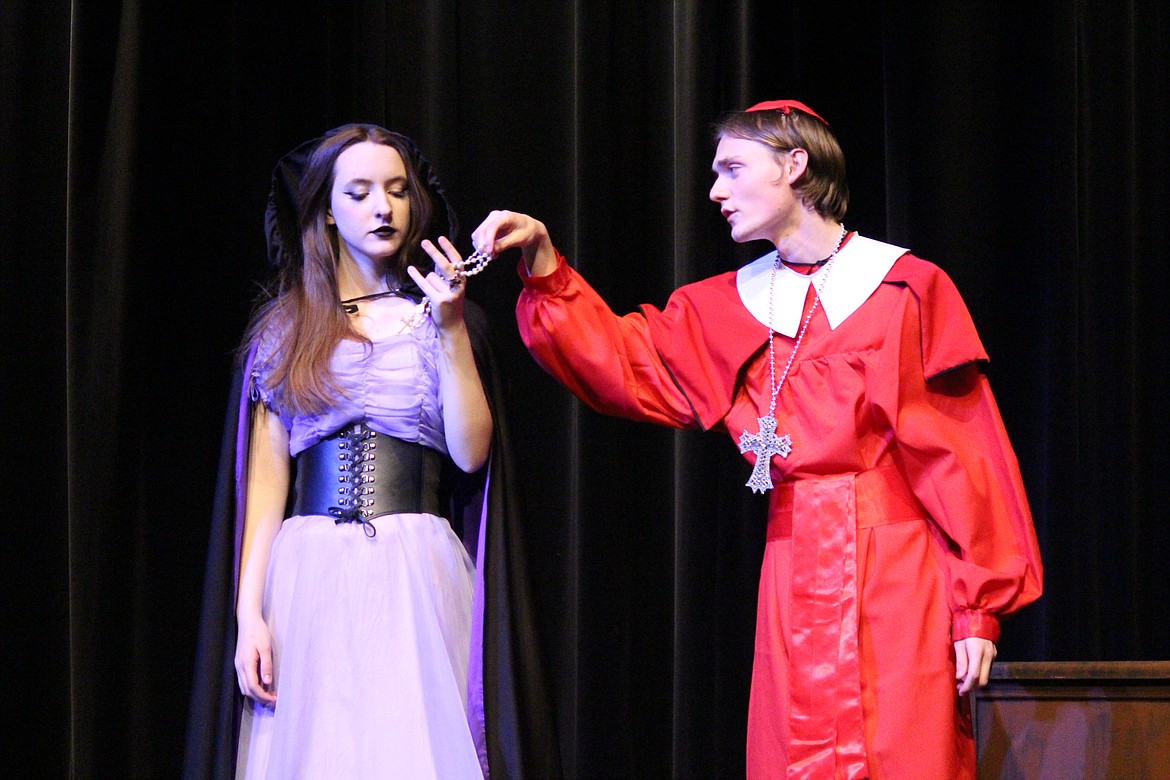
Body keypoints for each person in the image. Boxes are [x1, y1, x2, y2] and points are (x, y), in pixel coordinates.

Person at [471, 100, 1043, 779]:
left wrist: (977, 608)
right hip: (794, 560)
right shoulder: (723, 306)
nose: (715, 190)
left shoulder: (905, 289)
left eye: (732, 168)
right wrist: (543, 264)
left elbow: (964, 456)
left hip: (897, 571)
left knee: (903, 751)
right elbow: (622, 362)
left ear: (794, 165)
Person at [183, 124, 559, 779]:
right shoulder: (286, 327)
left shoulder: (442, 316)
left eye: (395, 191)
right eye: (358, 193)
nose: (382, 207)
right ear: (327, 207)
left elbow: (472, 455)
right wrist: (248, 615)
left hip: (412, 567)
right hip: (307, 572)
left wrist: (449, 327)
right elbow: (267, 485)